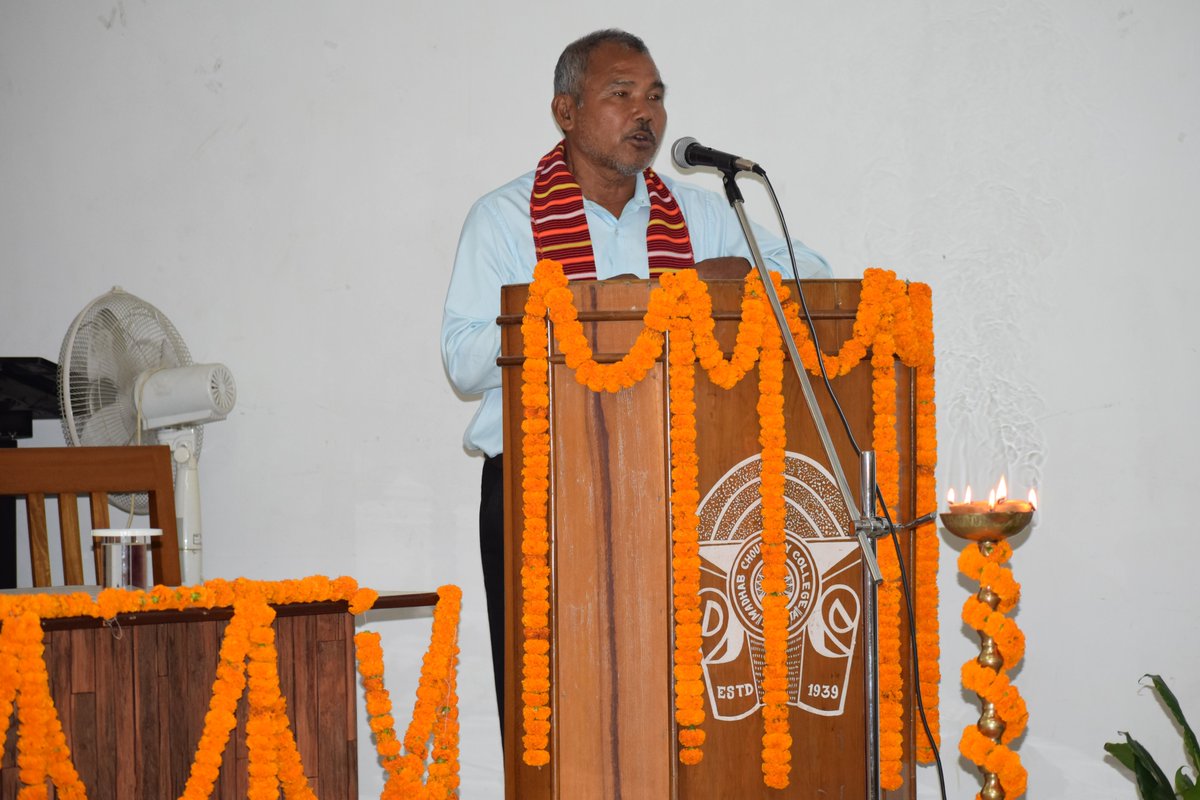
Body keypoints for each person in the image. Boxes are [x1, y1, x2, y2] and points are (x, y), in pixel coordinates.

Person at [440, 28, 831, 731]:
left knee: (672, 702)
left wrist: (743, 277)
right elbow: (464, 358)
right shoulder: (504, 220)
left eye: (654, 96)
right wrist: (607, 308)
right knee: (554, 713)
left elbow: (814, 280)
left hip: (682, 484)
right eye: (620, 94)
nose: (644, 113)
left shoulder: (705, 212)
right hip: (543, 487)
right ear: (566, 111)